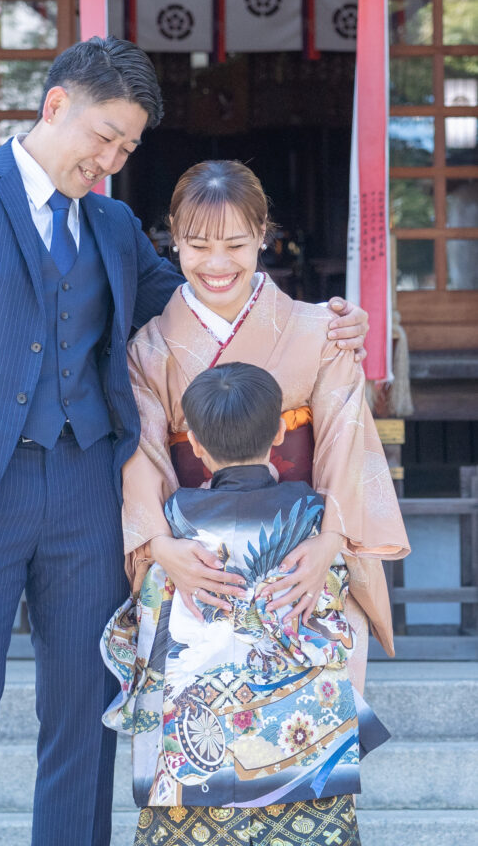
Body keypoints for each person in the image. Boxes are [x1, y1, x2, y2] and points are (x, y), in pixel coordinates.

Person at [0, 39, 369, 846]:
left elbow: (205, 302)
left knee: (83, 712)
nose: (111, 159)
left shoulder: (110, 224)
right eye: (103, 136)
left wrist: (324, 320)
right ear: (54, 105)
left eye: (128, 147)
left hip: (85, 493)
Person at [121, 160, 410, 699]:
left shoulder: (323, 330)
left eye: (235, 243)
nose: (217, 263)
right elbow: (144, 456)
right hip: (197, 569)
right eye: (198, 245)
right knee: (198, 742)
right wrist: (160, 547)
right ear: (173, 240)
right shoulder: (150, 348)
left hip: (305, 568)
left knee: (306, 739)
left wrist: (330, 542)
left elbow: (345, 441)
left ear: (261, 235)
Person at [102, 362, 390, 846]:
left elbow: (152, 632)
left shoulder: (173, 530)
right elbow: (337, 624)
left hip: (198, 746)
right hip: (299, 737)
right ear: (281, 431)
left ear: (192, 443)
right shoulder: (317, 524)